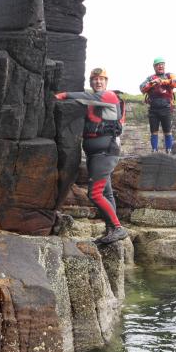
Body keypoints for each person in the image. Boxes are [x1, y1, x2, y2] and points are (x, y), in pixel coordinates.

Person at [55, 68, 129, 245]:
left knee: (95, 194)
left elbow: (83, 96)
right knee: (107, 193)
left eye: (101, 79)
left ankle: (118, 228)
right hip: (95, 154)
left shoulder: (108, 96)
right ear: (91, 82)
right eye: (94, 79)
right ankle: (111, 229)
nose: (98, 82)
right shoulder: (93, 102)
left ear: (106, 82)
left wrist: (62, 95)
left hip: (105, 152)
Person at [139, 57, 176, 153]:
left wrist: (164, 81)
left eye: (162, 64)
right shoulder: (150, 78)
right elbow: (141, 88)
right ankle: (154, 150)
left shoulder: (169, 75)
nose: (160, 66)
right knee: (153, 132)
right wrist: (152, 83)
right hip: (153, 109)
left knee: (167, 131)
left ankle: (169, 150)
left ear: (164, 66)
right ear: (154, 67)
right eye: (158, 65)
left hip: (166, 108)